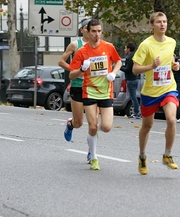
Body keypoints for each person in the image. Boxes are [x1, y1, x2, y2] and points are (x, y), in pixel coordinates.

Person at [68, 19, 122, 171]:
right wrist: (81, 70)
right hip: (89, 91)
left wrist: (113, 72)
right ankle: (94, 156)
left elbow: (118, 61)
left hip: (106, 92)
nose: (97, 34)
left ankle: (92, 138)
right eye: (94, 31)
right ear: (88, 32)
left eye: (99, 31)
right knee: (92, 126)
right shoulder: (82, 51)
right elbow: (71, 75)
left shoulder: (108, 47)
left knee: (106, 127)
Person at [132, 12, 180, 175]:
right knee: (147, 126)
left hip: (168, 88)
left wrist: (175, 65)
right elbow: (135, 69)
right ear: (152, 25)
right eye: (159, 22)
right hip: (150, 92)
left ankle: (167, 155)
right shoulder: (146, 45)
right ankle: (142, 156)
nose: (162, 24)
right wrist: (151, 66)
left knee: (172, 120)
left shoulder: (172, 42)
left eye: (165, 21)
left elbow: (170, 60)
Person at [58, 18, 93, 163]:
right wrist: (76, 70)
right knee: (79, 122)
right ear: (82, 30)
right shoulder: (75, 44)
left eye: (90, 28)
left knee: (93, 122)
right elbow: (61, 61)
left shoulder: (99, 45)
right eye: (86, 27)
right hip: (78, 85)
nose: (88, 30)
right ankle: (70, 124)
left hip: (94, 87)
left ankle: (92, 151)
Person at [120, 42, 141, 119]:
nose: (125, 50)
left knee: (133, 96)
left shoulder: (129, 57)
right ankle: (137, 112)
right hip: (135, 78)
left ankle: (137, 113)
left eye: (125, 48)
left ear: (128, 49)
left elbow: (127, 69)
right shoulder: (135, 55)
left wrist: (119, 67)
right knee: (134, 96)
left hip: (131, 79)